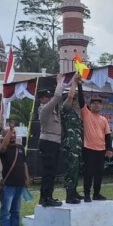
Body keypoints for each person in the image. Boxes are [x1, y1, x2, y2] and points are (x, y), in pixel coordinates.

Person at [0, 121, 32, 226]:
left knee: (16, 210)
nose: (12, 135)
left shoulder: (20, 148)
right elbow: (3, 147)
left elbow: (24, 163)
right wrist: (10, 130)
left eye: (14, 133)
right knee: (6, 210)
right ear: (4, 136)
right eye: (10, 133)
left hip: (20, 183)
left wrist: (27, 177)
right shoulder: (2, 149)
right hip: (9, 184)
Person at [37, 74, 64, 207]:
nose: (49, 99)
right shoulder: (45, 109)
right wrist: (60, 81)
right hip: (48, 143)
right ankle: (46, 198)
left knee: (51, 172)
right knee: (48, 172)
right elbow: (58, 96)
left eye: (49, 96)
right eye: (46, 97)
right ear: (41, 99)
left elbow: (59, 100)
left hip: (54, 143)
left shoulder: (53, 111)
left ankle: (47, 196)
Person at [81, 94, 112, 202]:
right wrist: (79, 85)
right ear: (89, 105)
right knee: (89, 172)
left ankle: (96, 194)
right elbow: (81, 99)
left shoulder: (104, 119)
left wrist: (109, 149)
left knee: (99, 173)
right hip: (88, 148)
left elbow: (107, 135)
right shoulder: (86, 114)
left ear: (101, 106)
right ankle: (86, 194)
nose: (96, 105)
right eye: (94, 103)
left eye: (99, 103)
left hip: (101, 150)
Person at [61, 75, 85, 205]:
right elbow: (69, 97)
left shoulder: (74, 113)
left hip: (77, 145)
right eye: (73, 100)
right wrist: (74, 83)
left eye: (75, 100)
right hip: (70, 145)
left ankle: (74, 191)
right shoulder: (65, 110)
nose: (74, 101)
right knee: (71, 169)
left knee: (76, 169)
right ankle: (69, 195)